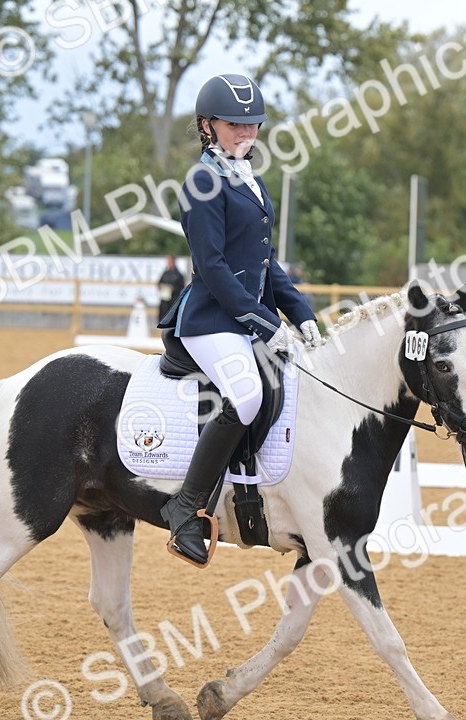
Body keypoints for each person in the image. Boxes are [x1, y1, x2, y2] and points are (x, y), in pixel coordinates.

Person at [157, 73, 320, 566]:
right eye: (234, 126)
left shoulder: (249, 176)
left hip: (245, 317)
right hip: (210, 320)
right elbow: (213, 268)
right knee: (247, 392)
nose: (246, 134)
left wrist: (300, 313)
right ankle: (185, 509)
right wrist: (264, 323)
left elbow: (265, 264)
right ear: (207, 126)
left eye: (253, 125)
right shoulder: (202, 183)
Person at [156, 254, 186, 323]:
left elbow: (181, 287)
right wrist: (161, 286)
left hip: (173, 300)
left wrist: (173, 288)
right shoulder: (165, 273)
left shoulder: (179, 275)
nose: (169, 263)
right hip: (164, 299)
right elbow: (159, 283)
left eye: (170, 261)